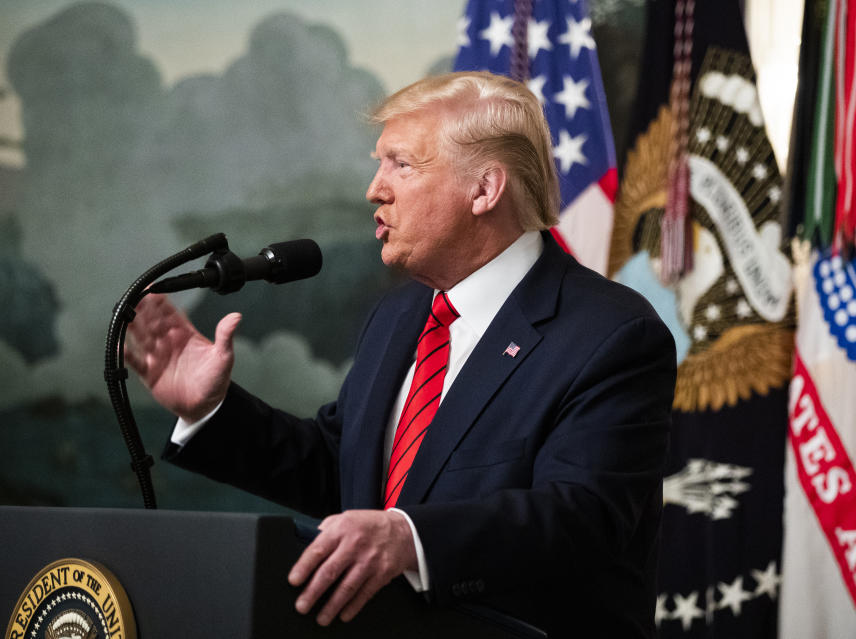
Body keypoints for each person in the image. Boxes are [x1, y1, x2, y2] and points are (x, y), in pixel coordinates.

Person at [126, 71, 676, 637]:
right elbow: (347, 473)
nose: (374, 188)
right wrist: (211, 410)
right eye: (378, 162)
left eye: (401, 164)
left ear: (484, 190)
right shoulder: (398, 317)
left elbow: (582, 517)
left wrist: (408, 539)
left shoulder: (610, 334)